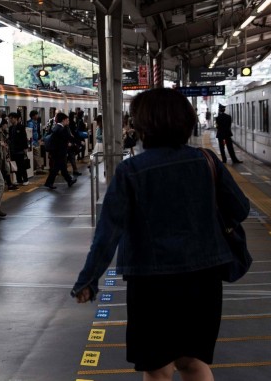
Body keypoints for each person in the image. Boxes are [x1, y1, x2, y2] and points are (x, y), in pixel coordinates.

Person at [71, 88, 250, 381]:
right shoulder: (206, 160)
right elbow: (240, 209)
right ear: (186, 121)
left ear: (143, 126)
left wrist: (88, 279)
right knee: (193, 362)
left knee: (157, 369)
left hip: (150, 283)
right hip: (203, 278)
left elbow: (108, 233)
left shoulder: (131, 171)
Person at [44, 112, 75, 190]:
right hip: (59, 152)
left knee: (61, 168)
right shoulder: (60, 129)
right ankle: (49, 183)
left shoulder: (56, 127)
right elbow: (60, 141)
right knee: (57, 168)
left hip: (58, 152)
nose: (68, 122)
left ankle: (69, 180)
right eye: (67, 120)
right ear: (63, 120)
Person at [8, 112, 29, 186]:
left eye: (11, 118)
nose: (10, 120)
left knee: (22, 165)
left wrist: (25, 148)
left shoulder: (21, 127)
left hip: (20, 150)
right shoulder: (10, 128)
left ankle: (25, 179)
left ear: (15, 118)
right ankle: (19, 180)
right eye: (9, 118)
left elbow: (24, 138)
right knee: (15, 166)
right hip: (13, 150)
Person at [0, 117, 18, 191]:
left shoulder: (3, 131)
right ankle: (9, 184)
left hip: (4, 152)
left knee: (6, 169)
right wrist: (4, 145)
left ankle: (9, 184)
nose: (6, 126)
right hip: (2, 153)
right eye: (5, 124)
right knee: (6, 169)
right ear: (2, 124)